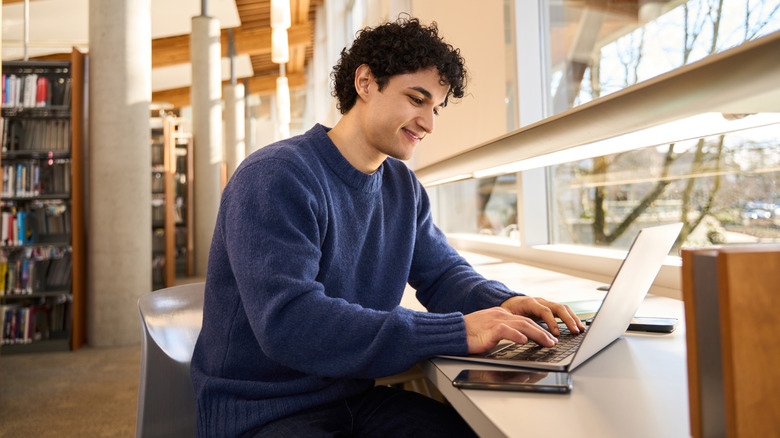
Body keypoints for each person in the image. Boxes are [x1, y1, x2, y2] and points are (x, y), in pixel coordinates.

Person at [190, 16, 585, 438]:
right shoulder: (276, 177)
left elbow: (444, 275)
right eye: (417, 99)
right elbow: (290, 323)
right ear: (365, 83)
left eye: (435, 107)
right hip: (264, 412)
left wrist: (506, 305)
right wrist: (457, 330)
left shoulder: (402, 187)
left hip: (351, 400)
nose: (429, 123)